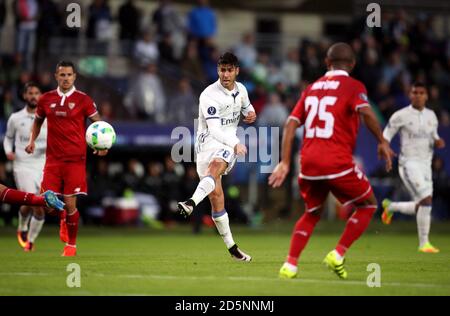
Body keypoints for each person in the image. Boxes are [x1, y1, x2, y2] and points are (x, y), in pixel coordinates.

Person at [269, 42, 394, 279]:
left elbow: (291, 124)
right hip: (336, 162)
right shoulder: (353, 85)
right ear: (353, 64)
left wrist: (285, 162)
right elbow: (366, 112)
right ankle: (337, 254)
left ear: (327, 63)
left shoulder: (311, 88)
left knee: (312, 213)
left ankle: (290, 265)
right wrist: (382, 141)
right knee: (368, 205)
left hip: (308, 163)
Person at [177, 52, 257, 261]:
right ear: (218, 70)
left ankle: (191, 203)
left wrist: (252, 114)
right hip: (207, 144)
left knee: (215, 168)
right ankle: (232, 249)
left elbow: (248, 109)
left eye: (230, 70)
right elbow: (214, 129)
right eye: (222, 70)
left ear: (237, 71)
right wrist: (236, 143)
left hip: (225, 145)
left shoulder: (242, 91)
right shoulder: (208, 95)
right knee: (216, 196)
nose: (226, 74)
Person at [26, 61, 108, 257]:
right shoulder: (45, 99)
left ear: (74, 77)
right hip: (53, 160)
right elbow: (37, 122)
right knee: (47, 204)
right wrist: (32, 141)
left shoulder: (84, 100)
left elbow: (99, 124)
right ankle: (61, 214)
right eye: (62, 75)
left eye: (69, 75)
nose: (66, 78)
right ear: (56, 76)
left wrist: (103, 145)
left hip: (75, 160)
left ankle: (71, 246)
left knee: (71, 204)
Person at [381, 82, 445, 253]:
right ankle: (424, 243)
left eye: (421, 92)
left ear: (426, 96)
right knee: (426, 200)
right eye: (414, 92)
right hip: (409, 164)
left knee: (422, 206)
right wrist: (384, 148)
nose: (417, 95)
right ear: (410, 95)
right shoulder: (400, 115)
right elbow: (386, 135)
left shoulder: (432, 116)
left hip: (426, 165)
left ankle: (390, 206)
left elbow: (434, 136)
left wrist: (438, 141)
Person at [3, 82, 48, 251]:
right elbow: (8, 138)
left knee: (32, 204)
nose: (34, 96)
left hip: (43, 166)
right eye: (30, 93)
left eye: (37, 92)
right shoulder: (15, 118)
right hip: (22, 165)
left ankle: (25, 232)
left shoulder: (49, 118)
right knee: (36, 203)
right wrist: (9, 151)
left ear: (41, 96)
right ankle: (29, 242)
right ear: (24, 96)